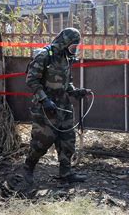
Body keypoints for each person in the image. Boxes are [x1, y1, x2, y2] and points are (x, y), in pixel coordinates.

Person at [23, 27, 91, 184]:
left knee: (67, 140)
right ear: (64, 42)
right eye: (73, 46)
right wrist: (44, 100)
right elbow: (31, 80)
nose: (74, 50)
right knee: (42, 141)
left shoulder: (67, 58)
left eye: (76, 47)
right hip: (45, 108)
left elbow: (67, 82)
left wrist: (75, 92)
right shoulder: (45, 56)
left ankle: (65, 174)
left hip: (64, 106)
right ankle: (28, 168)